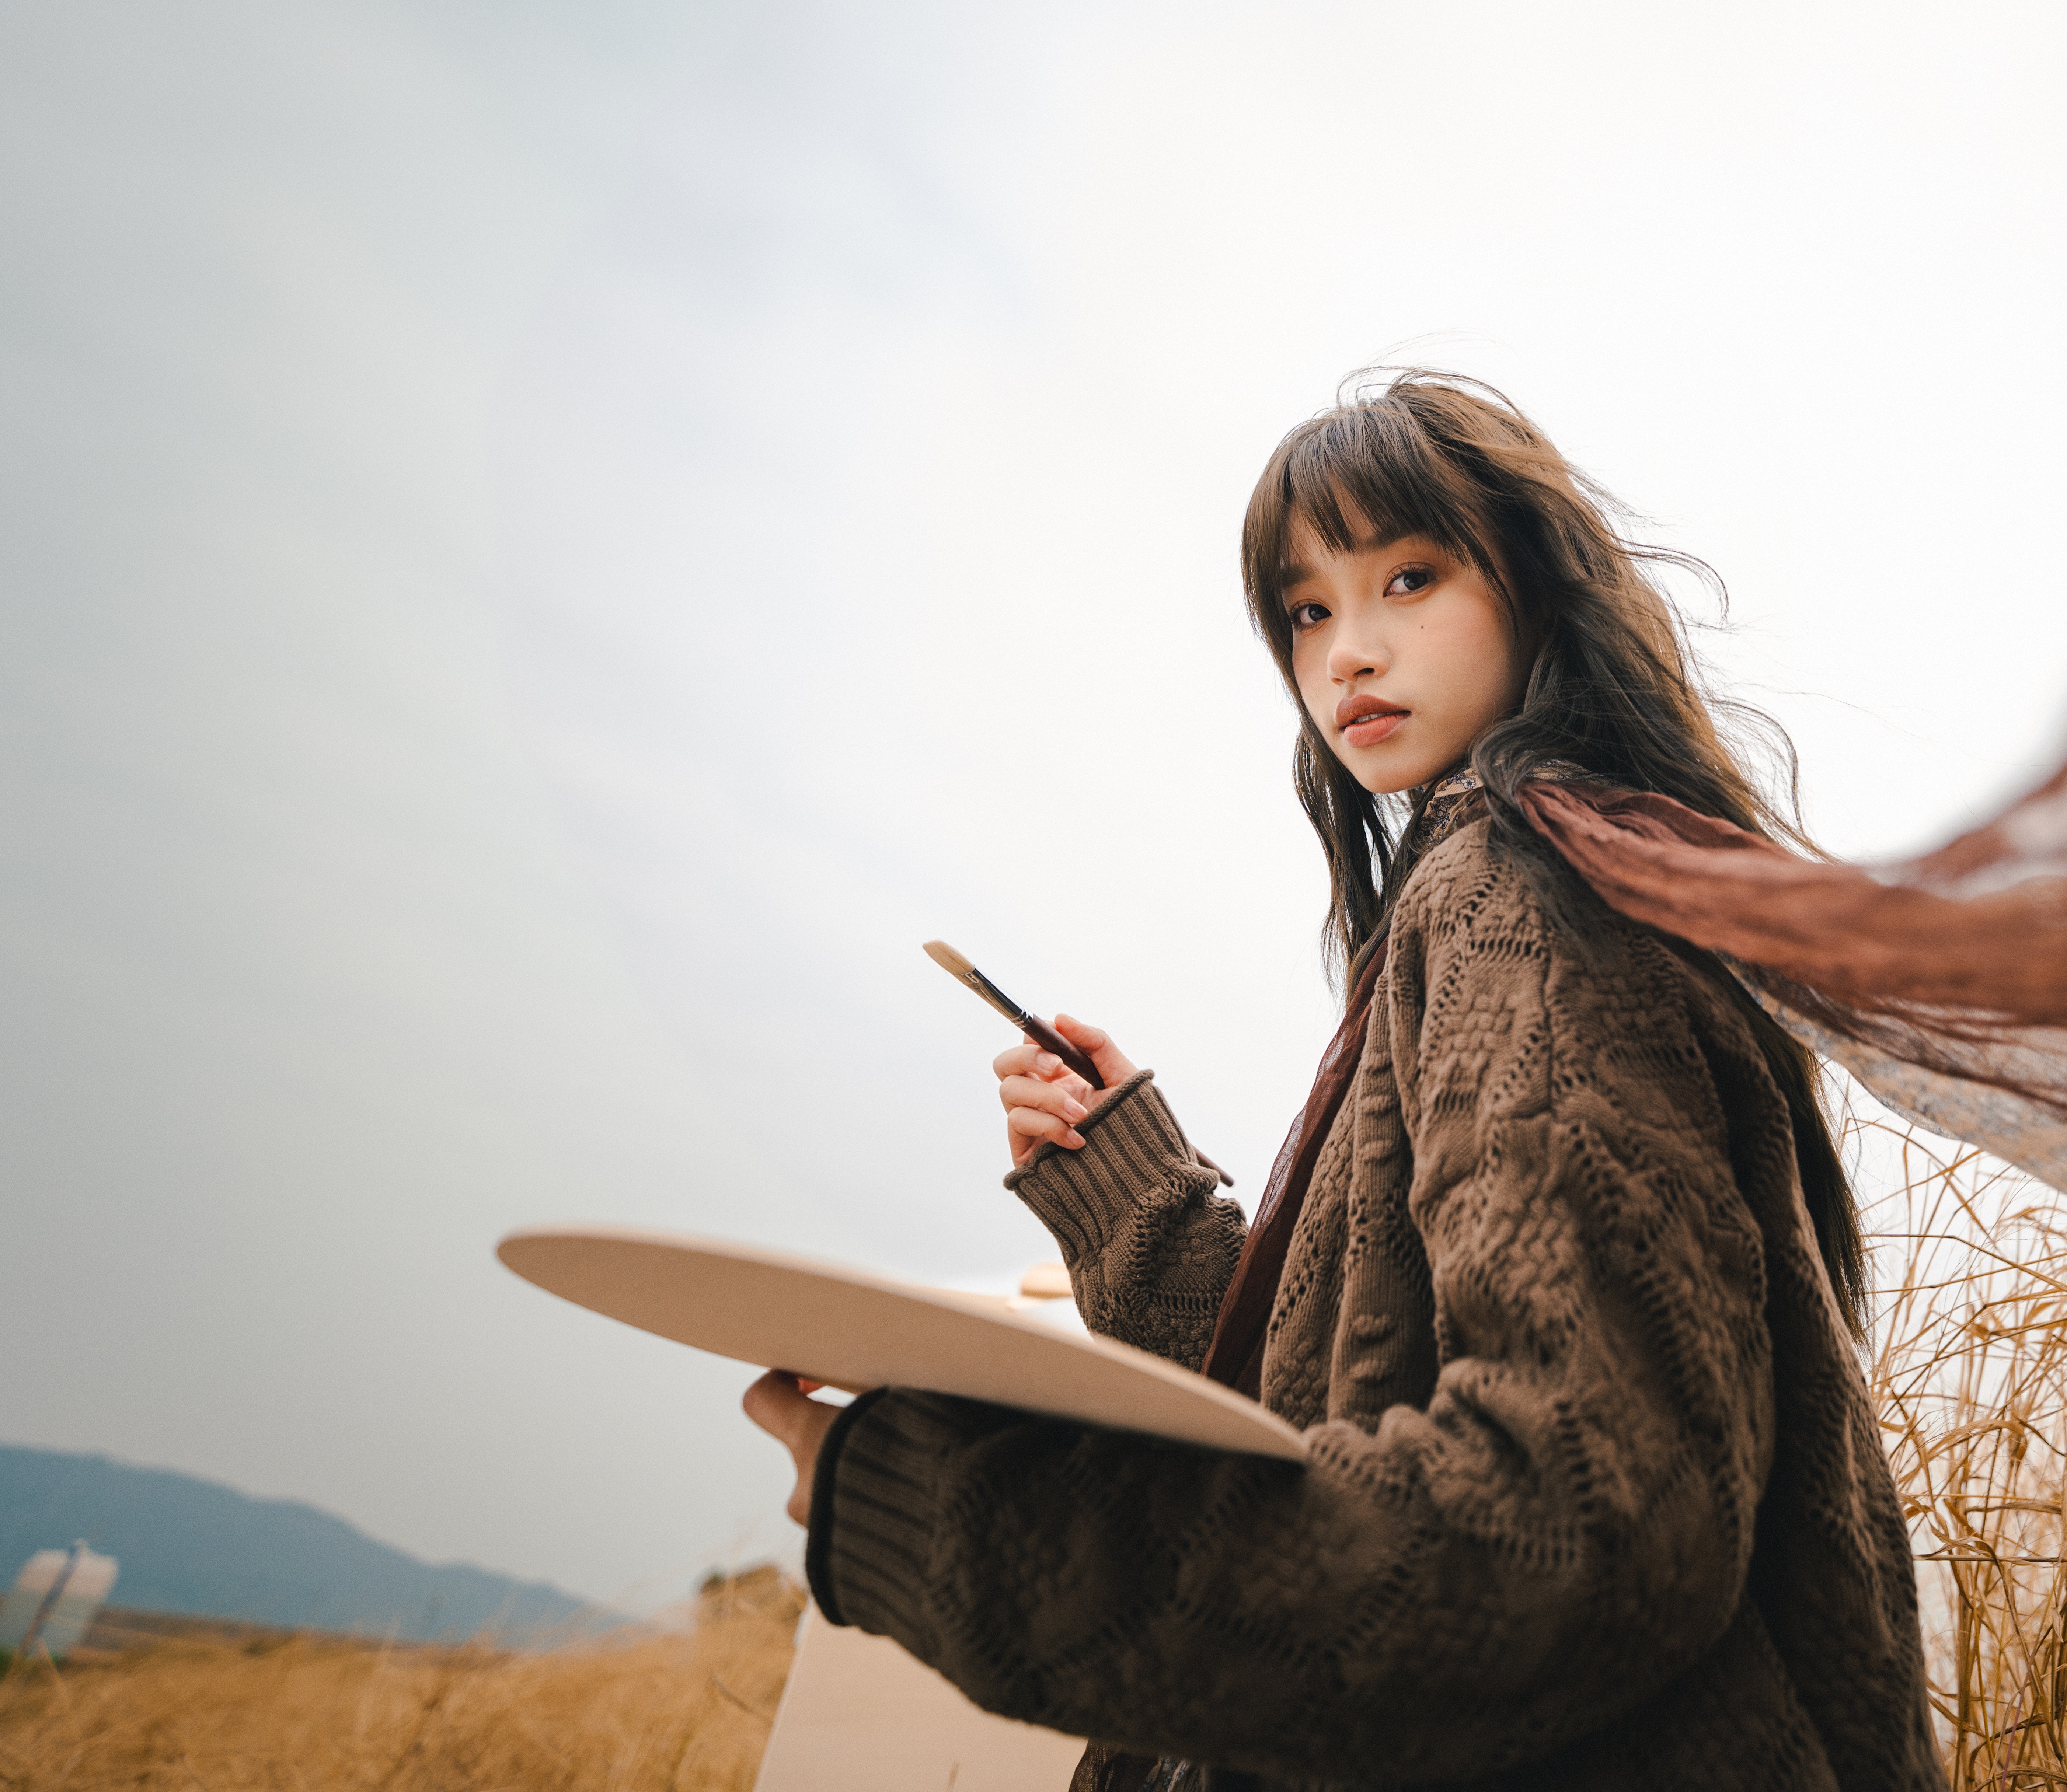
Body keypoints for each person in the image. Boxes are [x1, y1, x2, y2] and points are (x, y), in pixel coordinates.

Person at [744, 374, 1942, 1791]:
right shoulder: (1519, 879)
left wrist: (929, 1514)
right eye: (1308, 610)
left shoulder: (1518, 894)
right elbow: (1347, 1405)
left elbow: (1579, 1523)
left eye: (1410, 577)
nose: (1348, 654)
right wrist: (1131, 1187)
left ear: (1539, 591)